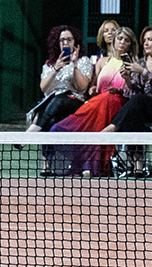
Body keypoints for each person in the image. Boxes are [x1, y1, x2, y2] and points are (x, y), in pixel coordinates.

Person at [49, 26, 137, 177]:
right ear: (114, 41)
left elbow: (134, 91)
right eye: (120, 39)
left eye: (127, 40)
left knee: (104, 104)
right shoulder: (102, 61)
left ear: (131, 44)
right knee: (87, 119)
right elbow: (94, 85)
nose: (122, 42)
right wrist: (93, 88)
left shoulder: (134, 64)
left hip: (118, 104)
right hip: (99, 101)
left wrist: (126, 81)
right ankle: (86, 162)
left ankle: (90, 165)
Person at [103, 25, 152, 176]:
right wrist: (128, 79)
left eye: (150, 40)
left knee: (138, 102)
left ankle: (114, 127)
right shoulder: (141, 62)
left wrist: (142, 72)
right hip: (141, 105)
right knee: (134, 113)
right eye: (145, 40)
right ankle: (138, 164)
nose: (146, 43)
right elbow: (133, 93)